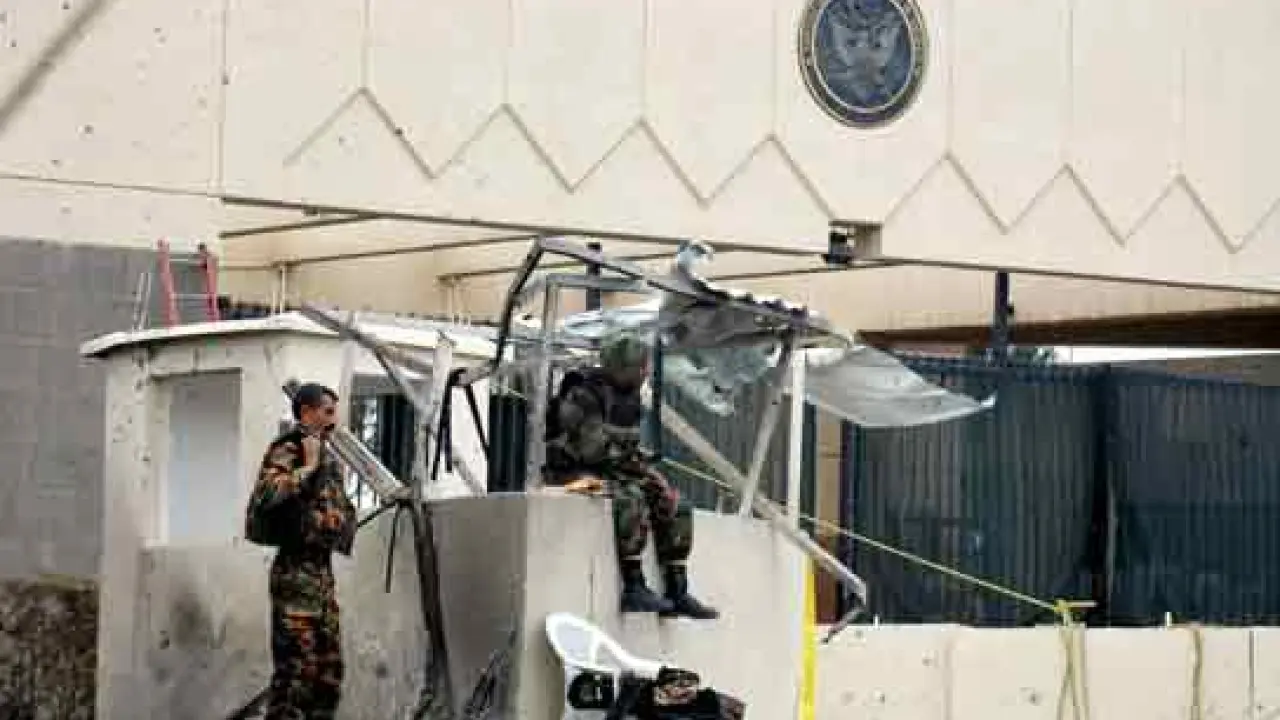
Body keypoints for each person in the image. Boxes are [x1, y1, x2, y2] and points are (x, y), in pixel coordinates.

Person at [545, 331, 718, 620]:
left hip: (613, 467)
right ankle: (633, 585)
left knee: (674, 501)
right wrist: (624, 442)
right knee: (631, 498)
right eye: (639, 367)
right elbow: (590, 449)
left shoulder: (629, 394)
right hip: (574, 472)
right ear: (621, 367)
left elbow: (624, 446)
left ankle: (677, 590)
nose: (645, 373)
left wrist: (640, 465)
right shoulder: (583, 394)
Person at [244, 382, 357, 719]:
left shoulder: (328, 455)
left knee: (328, 675)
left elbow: (337, 509)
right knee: (296, 676)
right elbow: (267, 494)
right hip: (294, 575)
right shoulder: (289, 448)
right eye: (327, 412)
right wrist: (307, 467)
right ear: (306, 412)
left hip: (321, 577)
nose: (334, 420)